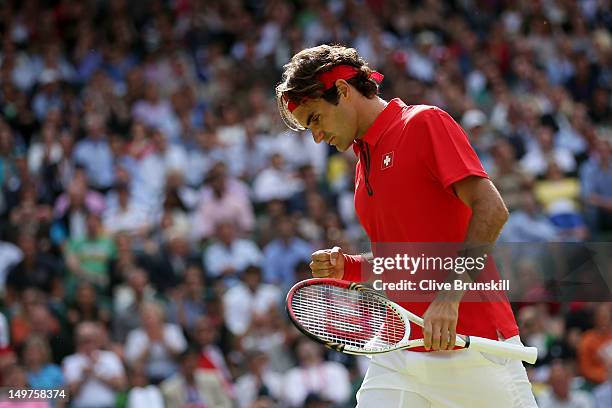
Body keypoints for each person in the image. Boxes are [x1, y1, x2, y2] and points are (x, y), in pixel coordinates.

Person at [276, 44, 537, 407]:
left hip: (472, 344)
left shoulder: (424, 123)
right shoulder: (360, 166)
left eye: (316, 118)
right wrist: (351, 266)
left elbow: (492, 210)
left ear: (344, 92)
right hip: (399, 351)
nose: (316, 136)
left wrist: (449, 297)